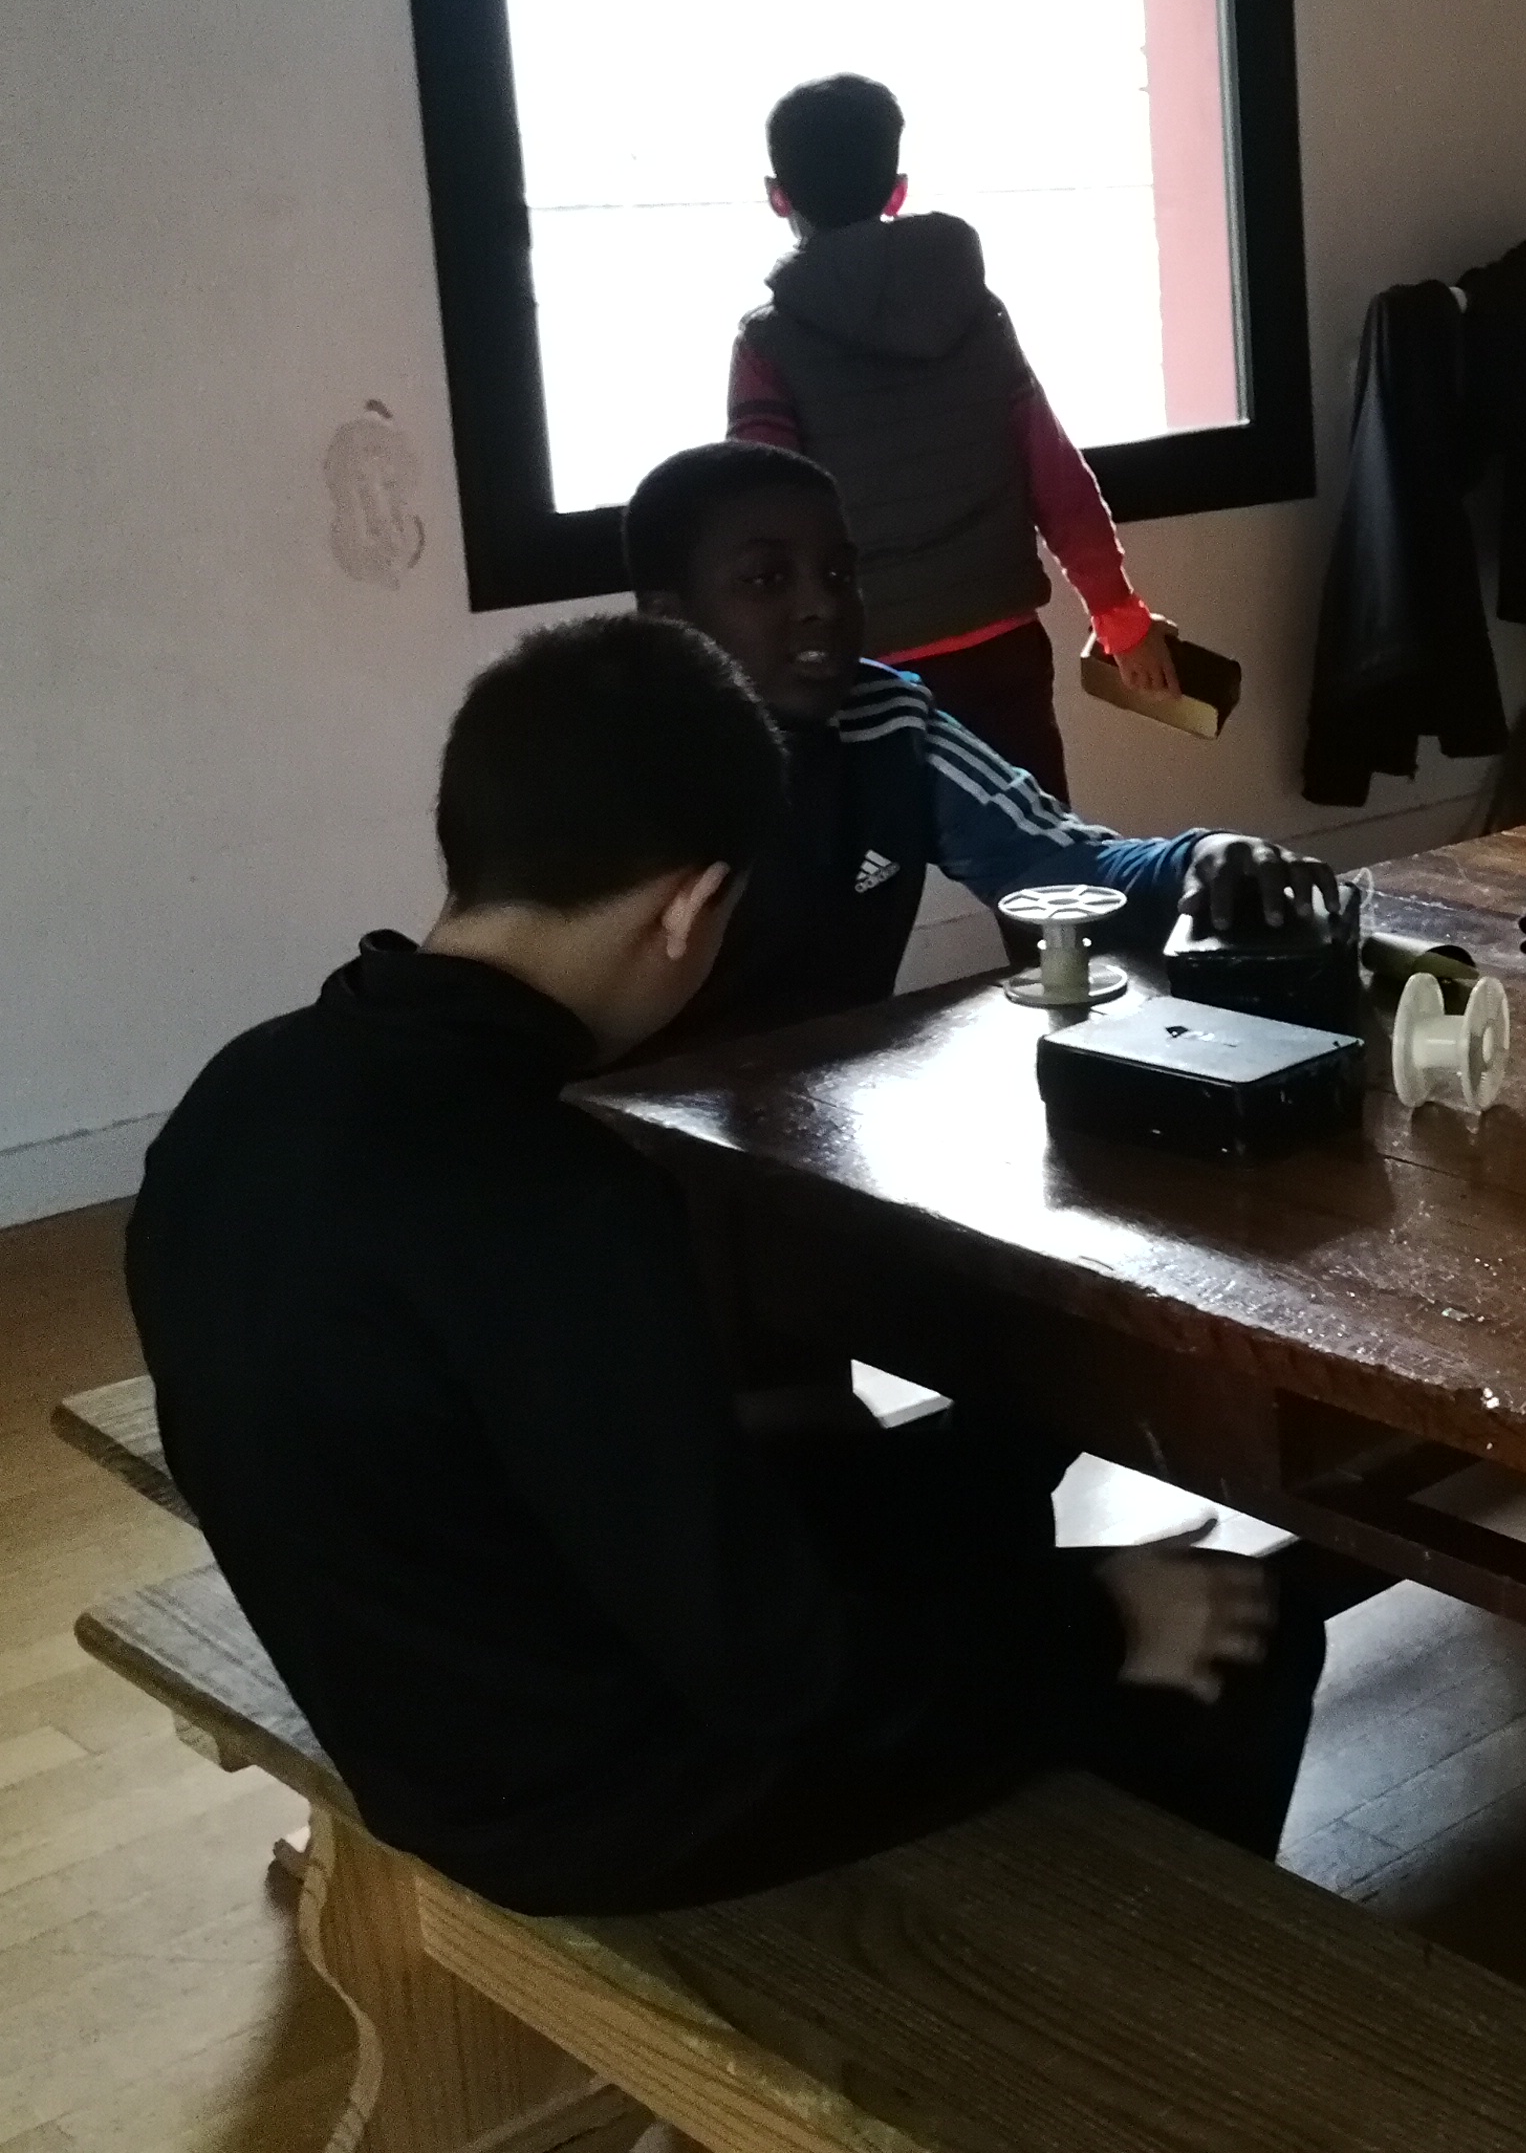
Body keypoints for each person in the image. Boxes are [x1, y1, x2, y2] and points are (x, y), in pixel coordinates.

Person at [124, 614, 1327, 1914]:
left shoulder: (245, 1092)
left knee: (969, 1473)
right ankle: (1111, 1989)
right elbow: (789, 1676)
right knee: (1243, 1629)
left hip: (434, 1694)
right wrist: (1112, 1622)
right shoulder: (553, 1196)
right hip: (599, 1804)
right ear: (691, 908)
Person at [625, 439, 1270, 1050]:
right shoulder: (607, 761)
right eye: (767, 579)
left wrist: (1197, 858)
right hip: (631, 1113)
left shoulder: (890, 723)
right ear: (669, 617)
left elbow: (1058, 865)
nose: (823, 605)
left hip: (829, 1097)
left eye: (839, 573)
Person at [727, 71, 1177, 798]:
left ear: (779, 196)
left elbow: (765, 523)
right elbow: (1055, 473)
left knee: (878, 866)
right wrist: (1119, 615)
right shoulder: (975, 311)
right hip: (1001, 644)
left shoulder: (768, 344)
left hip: (864, 669)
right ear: (897, 191)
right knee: (1040, 853)